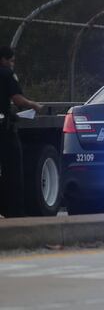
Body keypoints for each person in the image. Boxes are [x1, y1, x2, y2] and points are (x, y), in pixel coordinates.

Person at [1, 46, 43, 218]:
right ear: (3, 59)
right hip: (3, 130)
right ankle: (14, 211)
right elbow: (17, 99)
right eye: (11, 61)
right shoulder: (6, 73)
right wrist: (33, 105)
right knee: (13, 170)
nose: (12, 64)